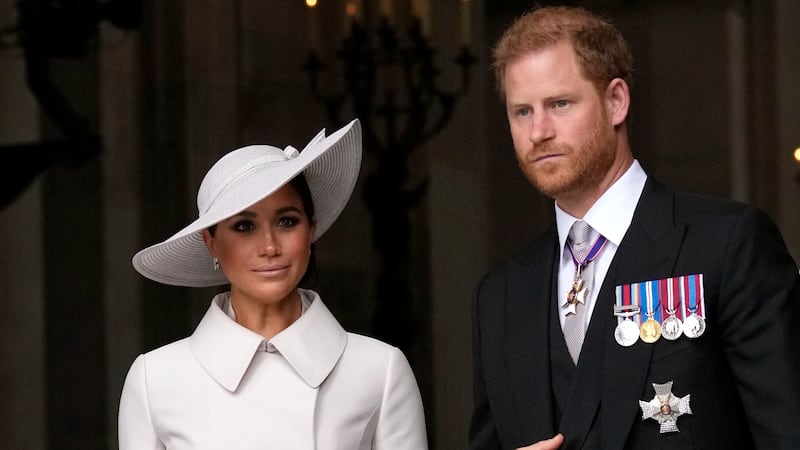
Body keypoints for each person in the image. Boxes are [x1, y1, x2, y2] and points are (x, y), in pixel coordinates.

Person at [470, 6, 800, 450]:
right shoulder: (500, 297)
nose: (538, 132)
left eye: (559, 104)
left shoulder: (728, 245)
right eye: (522, 112)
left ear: (616, 101)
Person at [119, 119, 428, 449]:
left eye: (286, 221)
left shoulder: (379, 370)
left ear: (311, 229)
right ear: (211, 243)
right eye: (244, 226)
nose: (269, 246)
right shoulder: (155, 380)